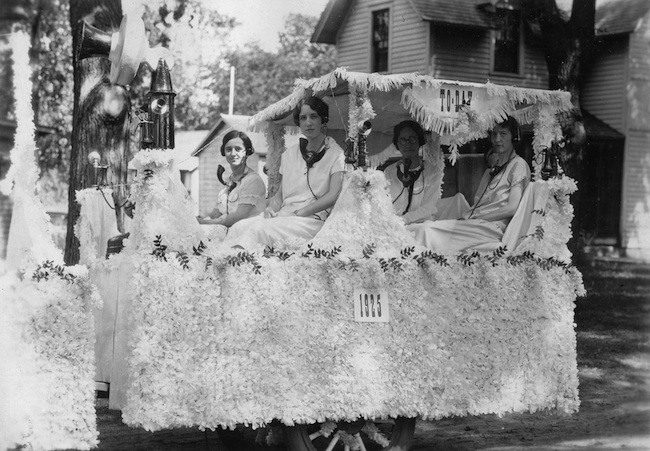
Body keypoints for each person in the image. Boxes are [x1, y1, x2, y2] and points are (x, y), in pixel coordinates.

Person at [224, 96, 346, 250]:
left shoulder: (337, 154)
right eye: (303, 118)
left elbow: (333, 195)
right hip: (285, 217)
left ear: (323, 120)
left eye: (314, 116)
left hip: (312, 221)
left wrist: (304, 211)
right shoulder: (289, 154)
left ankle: (239, 269)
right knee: (238, 228)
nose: (308, 122)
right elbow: (280, 196)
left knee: (258, 231)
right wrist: (270, 209)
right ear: (299, 122)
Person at [408, 117, 531, 253]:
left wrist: (478, 217)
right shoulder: (493, 169)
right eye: (494, 134)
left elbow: (512, 208)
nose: (497, 139)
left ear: (514, 138)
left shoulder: (518, 165)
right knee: (421, 226)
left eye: (503, 134)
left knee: (426, 230)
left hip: (491, 228)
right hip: (477, 224)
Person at [197, 130, 266, 231]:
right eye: (229, 149)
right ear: (223, 152)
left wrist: (203, 223)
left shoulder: (253, 181)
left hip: (247, 234)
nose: (233, 153)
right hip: (228, 233)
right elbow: (214, 215)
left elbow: (236, 218)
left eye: (238, 149)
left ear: (247, 152)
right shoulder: (229, 183)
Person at [383, 120, 440, 224]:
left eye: (412, 139)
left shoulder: (433, 172)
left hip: (422, 226)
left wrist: (401, 220)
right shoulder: (389, 172)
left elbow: (427, 209)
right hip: (396, 226)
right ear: (397, 144)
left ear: (420, 141)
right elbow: (385, 203)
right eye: (403, 140)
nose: (408, 144)